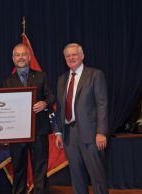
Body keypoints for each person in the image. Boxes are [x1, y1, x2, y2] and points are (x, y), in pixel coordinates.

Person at [55, 43, 109, 194]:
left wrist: (101, 132)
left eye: (74, 54)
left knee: (97, 177)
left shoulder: (95, 75)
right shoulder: (62, 79)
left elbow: (102, 105)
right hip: (69, 135)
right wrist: (59, 132)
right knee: (77, 177)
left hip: (91, 135)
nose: (71, 58)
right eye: (68, 56)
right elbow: (60, 107)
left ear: (82, 56)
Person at [3, 44, 55, 194]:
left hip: (38, 130)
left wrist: (45, 103)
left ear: (29, 57)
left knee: (40, 168)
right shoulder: (7, 81)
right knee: (18, 168)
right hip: (16, 133)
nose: (21, 57)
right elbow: (5, 109)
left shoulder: (41, 76)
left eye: (23, 54)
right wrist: (5, 133)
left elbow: (51, 96)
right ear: (13, 59)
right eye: (17, 55)